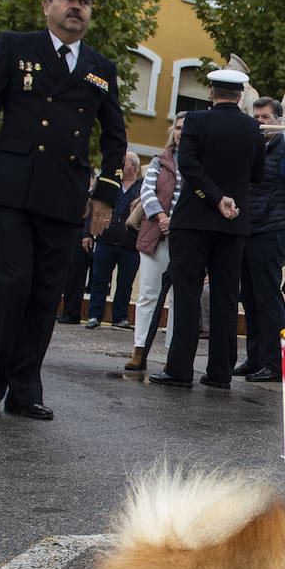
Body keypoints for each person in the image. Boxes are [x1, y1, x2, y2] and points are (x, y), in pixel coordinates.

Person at [0, 0, 126, 419]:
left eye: (85, 1)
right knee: (12, 282)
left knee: (44, 292)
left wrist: (105, 195)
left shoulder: (100, 67)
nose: (77, 7)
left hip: (64, 193)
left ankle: (25, 387)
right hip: (13, 187)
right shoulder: (16, 48)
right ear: (47, 3)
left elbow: (115, 138)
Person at [149, 67, 265, 391]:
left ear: (211, 94)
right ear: (240, 95)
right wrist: (228, 196)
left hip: (194, 219)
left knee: (186, 294)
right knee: (226, 298)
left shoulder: (197, 122)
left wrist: (214, 198)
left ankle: (180, 369)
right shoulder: (253, 128)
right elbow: (258, 174)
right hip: (234, 223)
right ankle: (220, 373)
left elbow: (188, 166)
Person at [235, 98, 285, 382]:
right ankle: (254, 359)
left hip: (271, 234)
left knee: (268, 301)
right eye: (256, 116)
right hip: (248, 232)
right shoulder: (252, 151)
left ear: (279, 120)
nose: (260, 121)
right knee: (250, 300)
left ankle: (276, 364)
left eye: (265, 116)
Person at [124, 113, 186, 372]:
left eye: (186, 129)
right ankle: (140, 350)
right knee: (148, 294)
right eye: (178, 128)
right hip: (155, 235)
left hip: (183, 236)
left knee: (178, 297)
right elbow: (147, 192)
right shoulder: (160, 162)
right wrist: (162, 218)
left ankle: (173, 353)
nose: (181, 132)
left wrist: (175, 220)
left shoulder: (198, 162)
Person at [85, 151, 142, 329]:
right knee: (99, 280)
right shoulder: (111, 182)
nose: (119, 165)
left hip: (130, 243)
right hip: (105, 239)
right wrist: (88, 233)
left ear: (133, 166)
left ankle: (119, 317)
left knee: (125, 283)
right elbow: (94, 207)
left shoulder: (143, 186)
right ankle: (94, 315)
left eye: (123, 162)